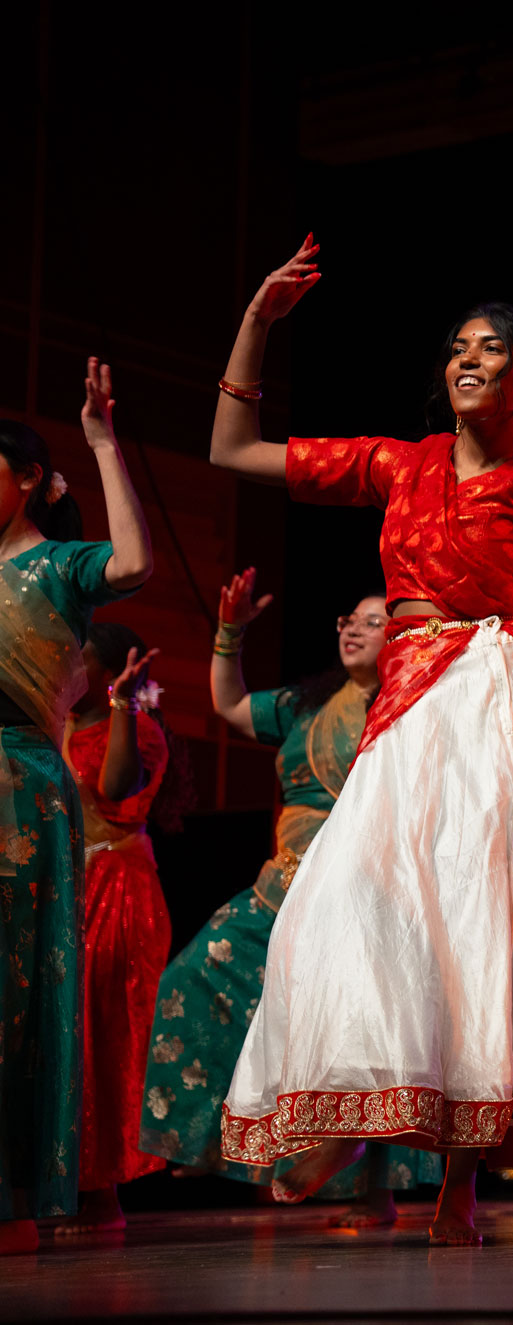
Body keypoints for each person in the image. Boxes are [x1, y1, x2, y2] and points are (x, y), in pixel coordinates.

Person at [209, 217, 513, 1245]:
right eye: (457, 349)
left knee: (476, 918)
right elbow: (231, 448)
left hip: (495, 698)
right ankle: (354, 1112)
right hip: (408, 702)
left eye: (490, 351)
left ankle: (459, 1177)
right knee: (339, 894)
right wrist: (253, 322)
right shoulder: (394, 465)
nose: (467, 361)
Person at [137, 571, 442, 1225]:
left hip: (361, 895)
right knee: (195, 978)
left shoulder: (410, 709)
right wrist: (230, 632)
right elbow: (229, 705)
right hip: (281, 888)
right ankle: (213, 1138)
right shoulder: (308, 705)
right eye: (348, 618)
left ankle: (375, 1192)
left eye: (372, 620)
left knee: (356, 1037)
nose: (352, 628)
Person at [0, 364, 154, 1255]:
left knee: (13, 999)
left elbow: (132, 562)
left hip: (19, 785)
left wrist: (100, 443)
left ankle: (18, 1193)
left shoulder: (56, 566)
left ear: (25, 481)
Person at [55, 621, 171, 1235]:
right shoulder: (53, 724)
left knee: (104, 1034)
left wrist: (122, 706)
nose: (66, 664)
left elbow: (115, 789)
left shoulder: (141, 732)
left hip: (118, 890)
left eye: (80, 657)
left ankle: (103, 1198)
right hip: (68, 888)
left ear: (109, 671)